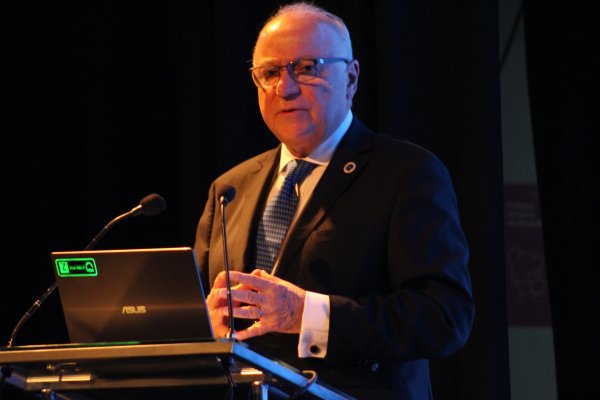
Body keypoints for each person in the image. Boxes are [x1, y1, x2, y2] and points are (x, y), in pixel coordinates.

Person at [194, 2, 474, 399]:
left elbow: (444, 317)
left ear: (351, 78)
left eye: (307, 68)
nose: (286, 88)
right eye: (270, 73)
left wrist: (306, 314)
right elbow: (204, 317)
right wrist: (204, 324)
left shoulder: (405, 173)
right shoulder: (230, 187)